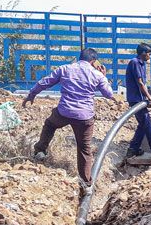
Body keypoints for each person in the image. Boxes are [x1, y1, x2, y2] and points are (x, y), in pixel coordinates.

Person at [22, 47, 117, 185]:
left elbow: (45, 82)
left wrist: (32, 95)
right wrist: (104, 76)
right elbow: (108, 94)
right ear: (93, 61)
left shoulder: (65, 69)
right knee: (84, 149)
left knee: (50, 124)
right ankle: (86, 183)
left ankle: (40, 151)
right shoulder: (97, 74)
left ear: (80, 57)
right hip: (84, 117)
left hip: (64, 112)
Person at [125, 43, 151, 159]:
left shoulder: (141, 64)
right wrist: (149, 97)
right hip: (135, 100)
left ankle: (133, 149)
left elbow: (142, 83)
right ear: (143, 53)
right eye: (149, 54)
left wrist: (147, 98)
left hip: (139, 99)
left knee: (143, 125)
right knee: (148, 124)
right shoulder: (135, 62)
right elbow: (140, 83)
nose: (150, 56)